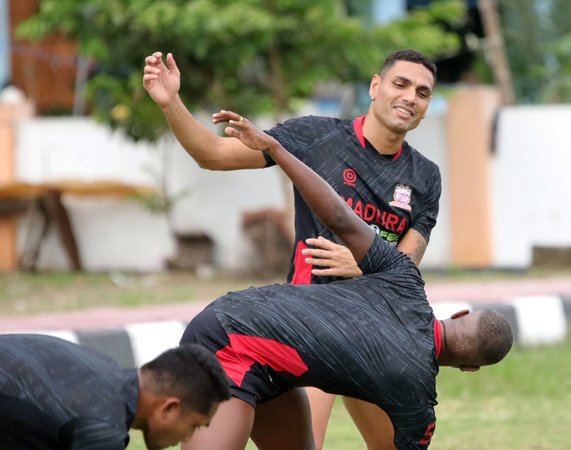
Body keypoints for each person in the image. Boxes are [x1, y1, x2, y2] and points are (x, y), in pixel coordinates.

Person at [143, 48, 442, 448]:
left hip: (373, 335)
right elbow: (212, 154)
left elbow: (407, 267)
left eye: (422, 93)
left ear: (426, 108)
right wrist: (171, 102)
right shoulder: (316, 137)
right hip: (308, 328)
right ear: (375, 86)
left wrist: (360, 267)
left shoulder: (425, 177)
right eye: (400, 84)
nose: (409, 97)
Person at [177, 113, 514, 450]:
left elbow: (338, 215)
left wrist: (277, 150)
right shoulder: (417, 402)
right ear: (470, 368)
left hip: (260, 349)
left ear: (458, 315)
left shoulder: (404, 277)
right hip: (229, 341)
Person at [0, 334, 231, 450]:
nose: (188, 438)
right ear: (169, 407)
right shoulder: (104, 426)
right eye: (194, 425)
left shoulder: (104, 368)